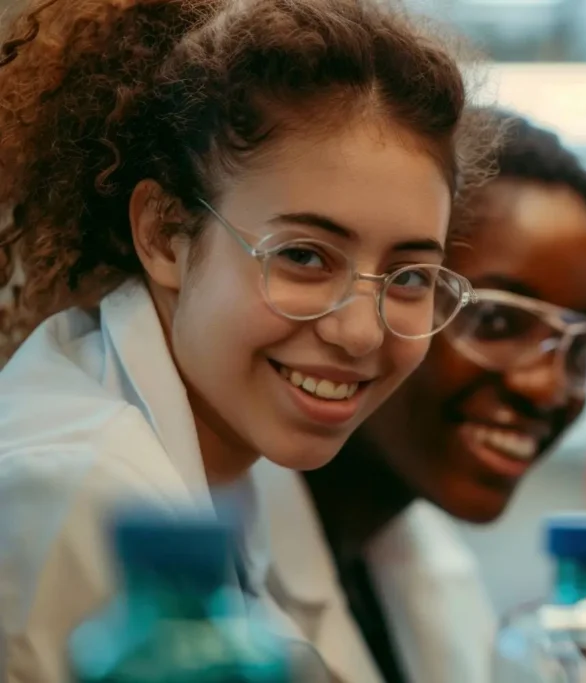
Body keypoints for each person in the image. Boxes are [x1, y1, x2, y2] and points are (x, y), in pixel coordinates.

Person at [0, 0, 493, 680]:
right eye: (305, 257)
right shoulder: (68, 489)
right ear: (163, 233)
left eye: (409, 275)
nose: (359, 332)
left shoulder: (244, 453)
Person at [253, 111, 586, 683]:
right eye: (498, 321)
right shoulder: (207, 537)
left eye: (579, 350)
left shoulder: (417, 566)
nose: (549, 387)